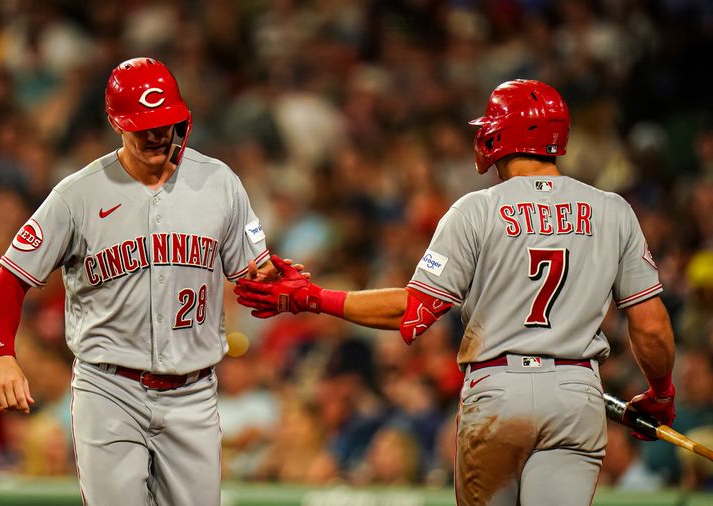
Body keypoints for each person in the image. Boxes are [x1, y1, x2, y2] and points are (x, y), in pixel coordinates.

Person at [235, 79, 676, 505]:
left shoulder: (476, 209)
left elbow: (412, 310)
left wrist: (311, 297)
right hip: (578, 390)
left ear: (501, 135)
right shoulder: (613, 210)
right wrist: (660, 393)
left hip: (499, 388)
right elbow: (651, 326)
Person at [0, 57, 288, 505]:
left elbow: (253, 274)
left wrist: (277, 284)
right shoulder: (77, 195)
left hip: (193, 390)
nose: (155, 134)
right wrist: (1, 355)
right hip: (109, 388)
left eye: (163, 122)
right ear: (115, 123)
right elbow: (9, 280)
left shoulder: (219, 182)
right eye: (141, 125)